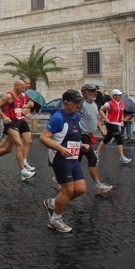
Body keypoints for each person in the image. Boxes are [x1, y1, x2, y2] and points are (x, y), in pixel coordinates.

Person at [40, 89, 89, 233]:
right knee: (68, 191)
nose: (78, 105)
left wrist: (81, 145)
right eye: (75, 102)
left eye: (80, 102)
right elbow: (44, 138)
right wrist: (60, 149)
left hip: (73, 158)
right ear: (66, 103)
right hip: (60, 159)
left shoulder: (77, 116)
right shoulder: (58, 118)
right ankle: (55, 220)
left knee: (80, 189)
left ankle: (53, 203)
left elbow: (70, 137)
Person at [0, 79, 37, 180]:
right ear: (16, 86)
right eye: (22, 87)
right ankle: (23, 171)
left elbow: (19, 107)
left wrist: (27, 108)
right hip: (11, 122)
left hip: (20, 121)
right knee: (19, 145)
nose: (24, 89)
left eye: (25, 87)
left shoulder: (21, 96)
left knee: (9, 149)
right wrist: (4, 117)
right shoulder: (8, 96)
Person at [78, 85, 113, 194]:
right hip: (82, 135)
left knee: (75, 160)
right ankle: (97, 185)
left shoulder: (94, 105)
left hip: (89, 135)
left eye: (95, 91)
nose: (95, 93)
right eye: (92, 91)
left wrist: (101, 129)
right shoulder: (80, 104)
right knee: (92, 158)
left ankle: (60, 177)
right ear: (84, 93)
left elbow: (96, 119)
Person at [95, 89, 132, 164]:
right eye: (119, 95)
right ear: (114, 96)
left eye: (121, 95)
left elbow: (122, 113)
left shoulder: (122, 103)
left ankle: (96, 153)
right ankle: (122, 157)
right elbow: (101, 110)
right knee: (119, 139)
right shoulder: (109, 103)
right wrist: (106, 118)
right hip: (110, 123)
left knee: (106, 139)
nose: (120, 96)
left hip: (117, 123)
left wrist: (121, 120)